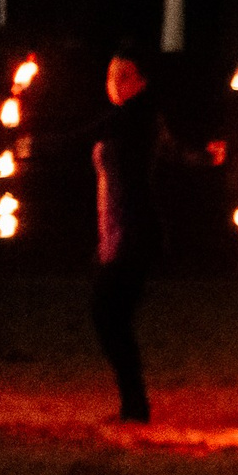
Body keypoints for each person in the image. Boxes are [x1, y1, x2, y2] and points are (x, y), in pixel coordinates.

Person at [90, 51, 176, 423]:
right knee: (110, 317)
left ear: (140, 80)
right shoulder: (124, 119)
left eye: (123, 75)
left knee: (109, 315)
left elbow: (167, 151)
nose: (114, 82)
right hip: (116, 231)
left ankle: (136, 405)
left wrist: (40, 143)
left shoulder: (137, 117)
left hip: (134, 233)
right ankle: (134, 405)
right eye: (111, 75)